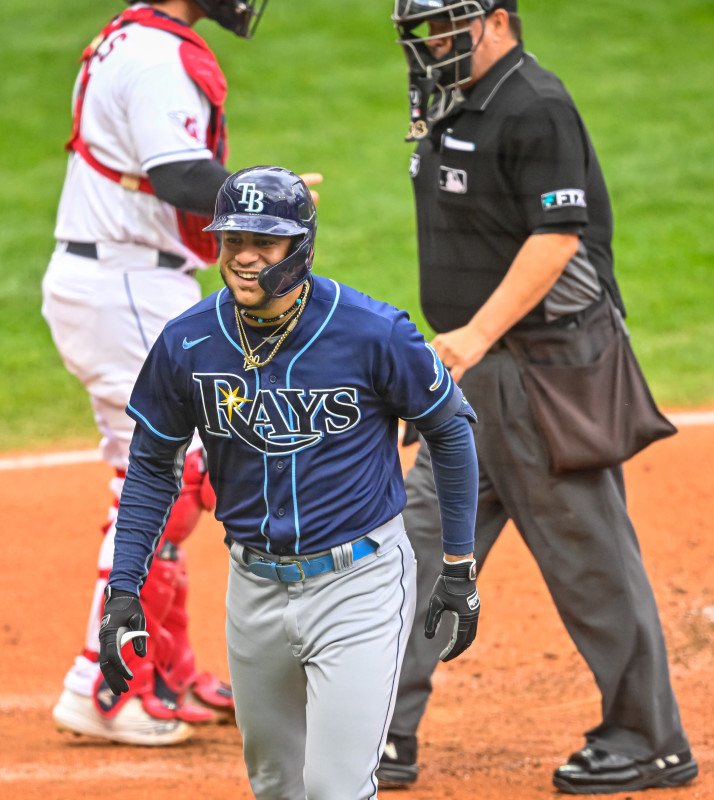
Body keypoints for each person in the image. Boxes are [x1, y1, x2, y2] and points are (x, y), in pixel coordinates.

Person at [379, 0, 698, 794]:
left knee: (590, 562)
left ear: (496, 19)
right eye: (424, 33)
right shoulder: (458, 104)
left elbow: (555, 240)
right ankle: (379, 732)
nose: (431, 47)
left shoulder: (535, 107)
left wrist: (474, 338)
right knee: (418, 553)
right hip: (472, 385)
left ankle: (649, 739)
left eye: (446, 28)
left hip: (542, 376)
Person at [97, 166, 481, 799]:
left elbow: (451, 428)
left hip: (359, 583)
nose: (244, 257)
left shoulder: (372, 332)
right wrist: (124, 588)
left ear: (300, 248)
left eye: (264, 243)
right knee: (276, 787)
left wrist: (460, 564)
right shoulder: (188, 342)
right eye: (232, 241)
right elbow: (151, 467)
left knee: (335, 788)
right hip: (254, 587)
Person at [44, 0, 291, 746]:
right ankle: (105, 682)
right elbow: (180, 173)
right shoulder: (154, 56)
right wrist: (268, 204)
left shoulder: (136, 37)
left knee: (174, 474)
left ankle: (163, 666)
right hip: (125, 280)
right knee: (167, 477)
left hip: (126, 278)